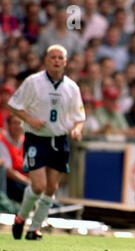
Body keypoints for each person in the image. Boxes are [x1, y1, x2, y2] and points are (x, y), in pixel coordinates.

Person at [8, 44, 85, 240]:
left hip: (59, 140)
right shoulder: (33, 82)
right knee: (38, 185)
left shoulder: (71, 87)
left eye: (60, 58)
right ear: (46, 60)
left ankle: (34, 229)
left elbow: (79, 116)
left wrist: (77, 129)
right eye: (53, 57)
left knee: (51, 187)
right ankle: (21, 218)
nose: (57, 61)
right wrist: (31, 120)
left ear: (66, 62)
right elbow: (14, 105)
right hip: (37, 139)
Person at [0, 115, 30, 202]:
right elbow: (8, 171)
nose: (17, 126)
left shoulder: (25, 141)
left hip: (26, 180)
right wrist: (27, 181)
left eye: (19, 123)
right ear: (8, 125)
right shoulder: (3, 142)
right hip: (13, 182)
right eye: (14, 123)